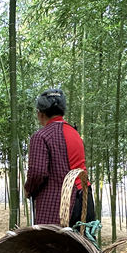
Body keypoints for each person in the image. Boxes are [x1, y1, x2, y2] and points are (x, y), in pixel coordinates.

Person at [24, 88, 95, 226]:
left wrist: (28, 189)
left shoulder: (41, 136)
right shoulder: (75, 134)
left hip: (60, 207)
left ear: (40, 114)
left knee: (51, 247)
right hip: (85, 202)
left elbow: (37, 173)